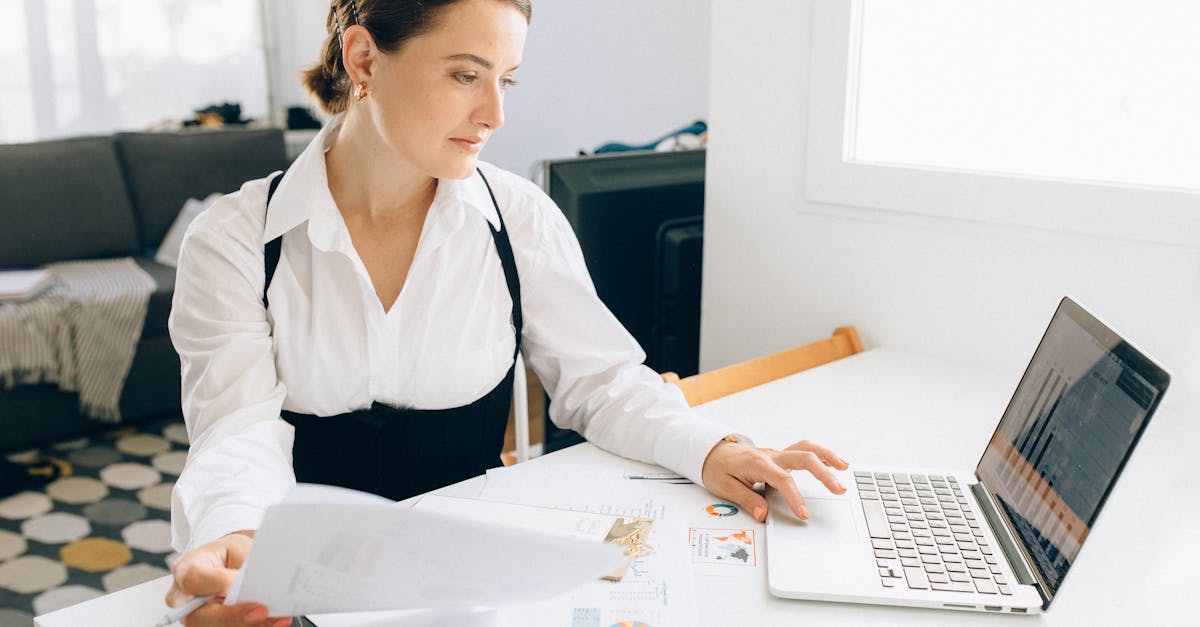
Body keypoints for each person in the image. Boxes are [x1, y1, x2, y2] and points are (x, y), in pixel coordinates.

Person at [165, 1, 849, 624]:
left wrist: (713, 446)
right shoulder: (235, 240)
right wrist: (235, 540)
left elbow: (603, 382)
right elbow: (236, 433)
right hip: (302, 588)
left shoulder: (518, 218)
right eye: (466, 75)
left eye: (507, 80)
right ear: (364, 59)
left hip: (463, 592)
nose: (496, 114)